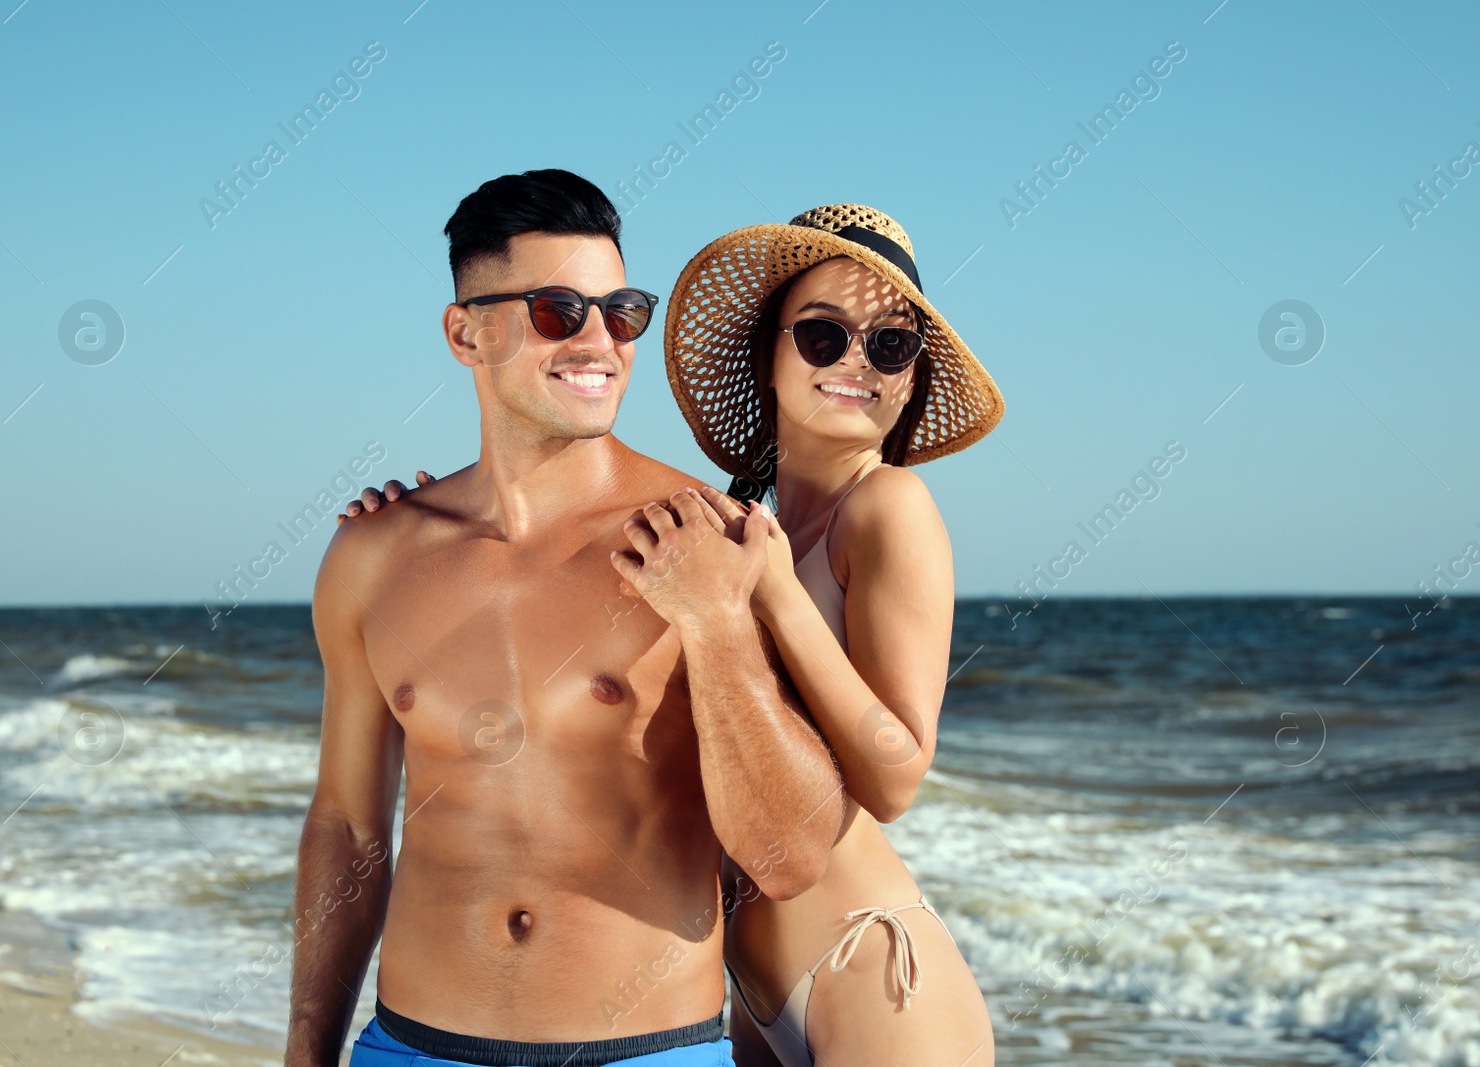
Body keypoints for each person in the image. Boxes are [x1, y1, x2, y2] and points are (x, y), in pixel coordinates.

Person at [345, 204, 1005, 1066]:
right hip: (751, 985)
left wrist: (769, 594)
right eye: (822, 336)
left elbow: (897, 773)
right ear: (768, 354)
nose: (855, 363)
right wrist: (434, 523)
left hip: (866, 966)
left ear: (912, 377)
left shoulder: (888, 506)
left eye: (890, 345)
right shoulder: (748, 526)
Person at [287, 169, 844, 1067]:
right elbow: (347, 826)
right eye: (558, 309)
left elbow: (790, 856)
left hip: (644, 1048)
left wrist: (716, 625)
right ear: (467, 332)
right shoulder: (373, 556)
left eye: (619, 311)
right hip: (410, 1047)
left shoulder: (711, 539)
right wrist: (307, 1051)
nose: (599, 341)